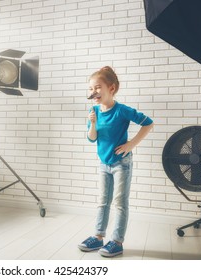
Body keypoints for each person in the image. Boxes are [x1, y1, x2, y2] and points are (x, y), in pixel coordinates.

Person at [78, 66, 154, 257]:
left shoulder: (122, 111)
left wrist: (131, 144)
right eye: (90, 89)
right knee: (103, 202)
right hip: (104, 163)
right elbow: (92, 138)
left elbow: (148, 123)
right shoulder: (93, 110)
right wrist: (93, 123)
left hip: (121, 163)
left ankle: (117, 241)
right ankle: (98, 237)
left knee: (120, 202)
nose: (93, 92)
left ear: (111, 88)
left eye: (97, 87)